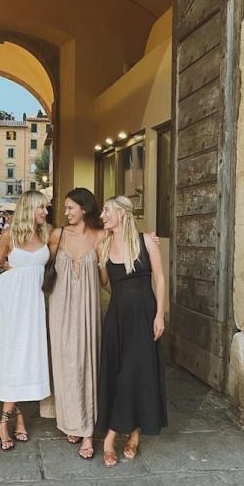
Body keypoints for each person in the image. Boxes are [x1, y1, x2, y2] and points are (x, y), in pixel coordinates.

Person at [0, 190, 52, 451]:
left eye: (46, 208)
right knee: (11, 357)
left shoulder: (48, 234)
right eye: (41, 208)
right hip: (8, 303)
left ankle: (13, 417)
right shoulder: (9, 236)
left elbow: (81, 237)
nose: (45, 212)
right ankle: (7, 421)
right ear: (29, 208)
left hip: (33, 306)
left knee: (23, 358)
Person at [95, 195, 168, 468]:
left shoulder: (147, 241)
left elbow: (159, 278)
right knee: (120, 372)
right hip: (116, 317)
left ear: (122, 214)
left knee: (134, 373)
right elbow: (104, 282)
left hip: (144, 314)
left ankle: (111, 437)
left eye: (106, 210)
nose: (102, 215)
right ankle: (133, 433)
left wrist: (160, 314)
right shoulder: (104, 242)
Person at [42, 188, 103, 459]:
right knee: (65, 363)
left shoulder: (100, 237)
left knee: (88, 363)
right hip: (60, 309)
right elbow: (39, 263)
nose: (65, 212)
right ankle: (70, 420)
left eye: (70, 208)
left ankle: (87, 431)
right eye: (65, 208)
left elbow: (104, 279)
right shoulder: (58, 235)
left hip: (88, 310)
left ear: (85, 209)